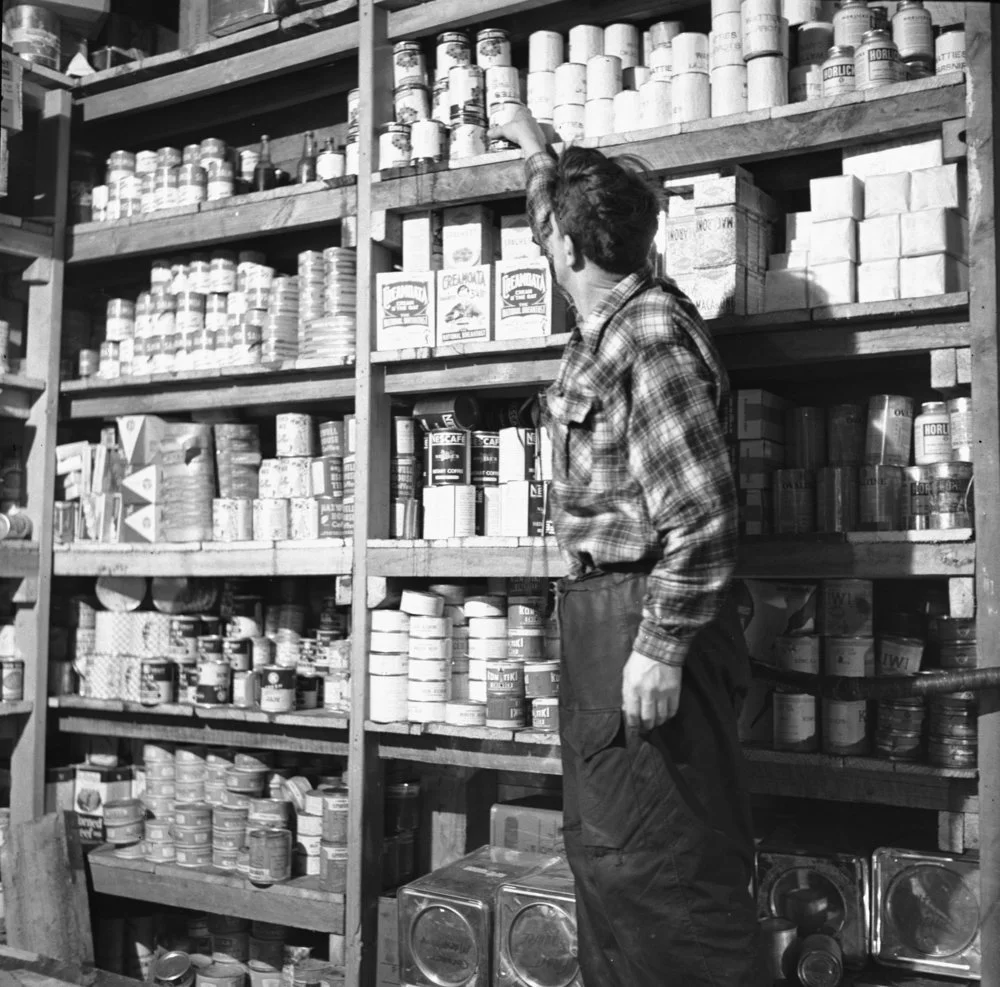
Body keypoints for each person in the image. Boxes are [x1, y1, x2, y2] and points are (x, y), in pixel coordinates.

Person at [490, 107, 764, 986]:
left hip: (645, 622)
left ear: (570, 250)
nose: (549, 245)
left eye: (553, 234)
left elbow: (705, 511)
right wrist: (539, 154)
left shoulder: (648, 333)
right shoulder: (605, 304)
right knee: (610, 870)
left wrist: (662, 642)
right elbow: (555, 213)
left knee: (669, 882)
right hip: (605, 616)